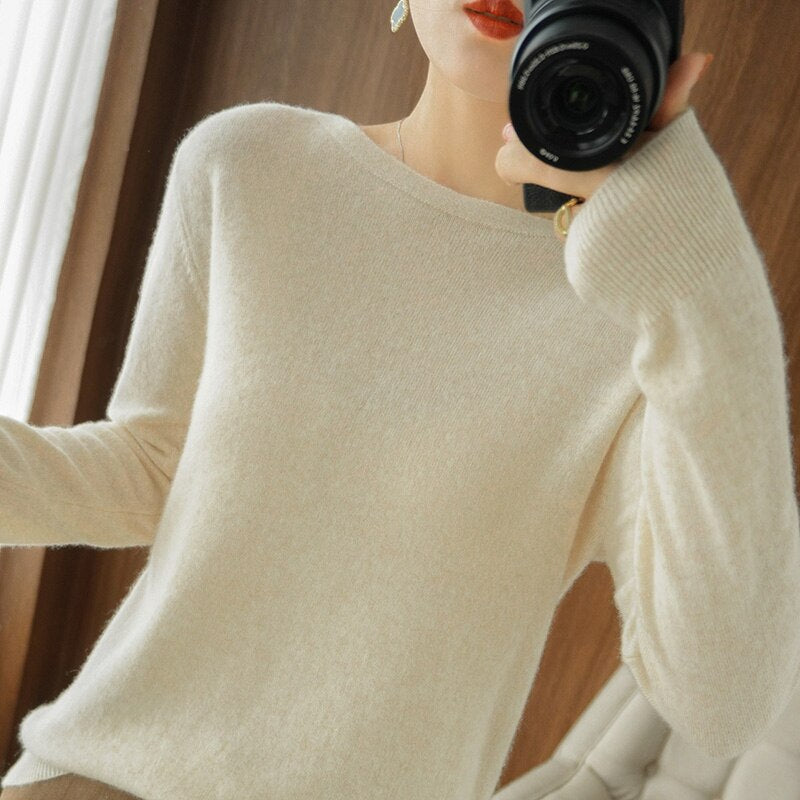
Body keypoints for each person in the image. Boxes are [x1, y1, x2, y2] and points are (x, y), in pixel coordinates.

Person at [2, 2, 800, 799]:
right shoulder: (248, 164)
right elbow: (152, 466)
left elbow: (720, 702)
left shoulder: (642, 312)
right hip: (94, 776)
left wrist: (703, 286)